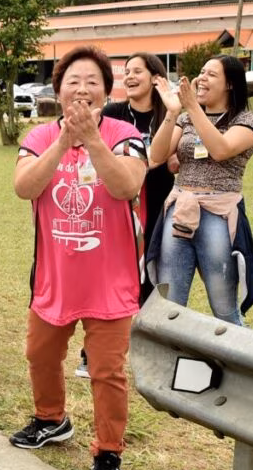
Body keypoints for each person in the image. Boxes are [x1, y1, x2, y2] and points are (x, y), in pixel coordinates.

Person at [10, 46, 147, 470]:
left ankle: (109, 451)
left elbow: (126, 185)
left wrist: (92, 140)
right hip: (55, 277)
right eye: (73, 81)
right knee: (40, 354)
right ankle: (51, 419)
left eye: (92, 81)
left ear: (107, 91)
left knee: (107, 370)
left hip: (110, 280)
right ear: (59, 89)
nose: (82, 89)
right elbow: (24, 187)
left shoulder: (126, 134)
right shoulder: (36, 137)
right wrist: (64, 142)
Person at [69, 53, 177, 379]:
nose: (129, 77)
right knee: (110, 278)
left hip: (157, 204)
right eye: (126, 72)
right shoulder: (114, 113)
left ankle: (147, 353)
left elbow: (161, 159)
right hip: (118, 206)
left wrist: (173, 112)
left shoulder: (168, 115)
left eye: (137, 71)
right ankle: (92, 354)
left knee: (151, 280)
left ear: (156, 78)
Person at [147, 55, 253, 326]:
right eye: (201, 72)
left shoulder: (247, 121)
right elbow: (157, 154)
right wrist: (174, 112)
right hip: (180, 210)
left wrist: (192, 108)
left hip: (218, 214)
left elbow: (220, 149)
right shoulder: (185, 118)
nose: (201, 79)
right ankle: (172, 364)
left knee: (223, 306)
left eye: (211, 74)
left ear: (230, 84)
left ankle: (237, 364)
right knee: (171, 303)